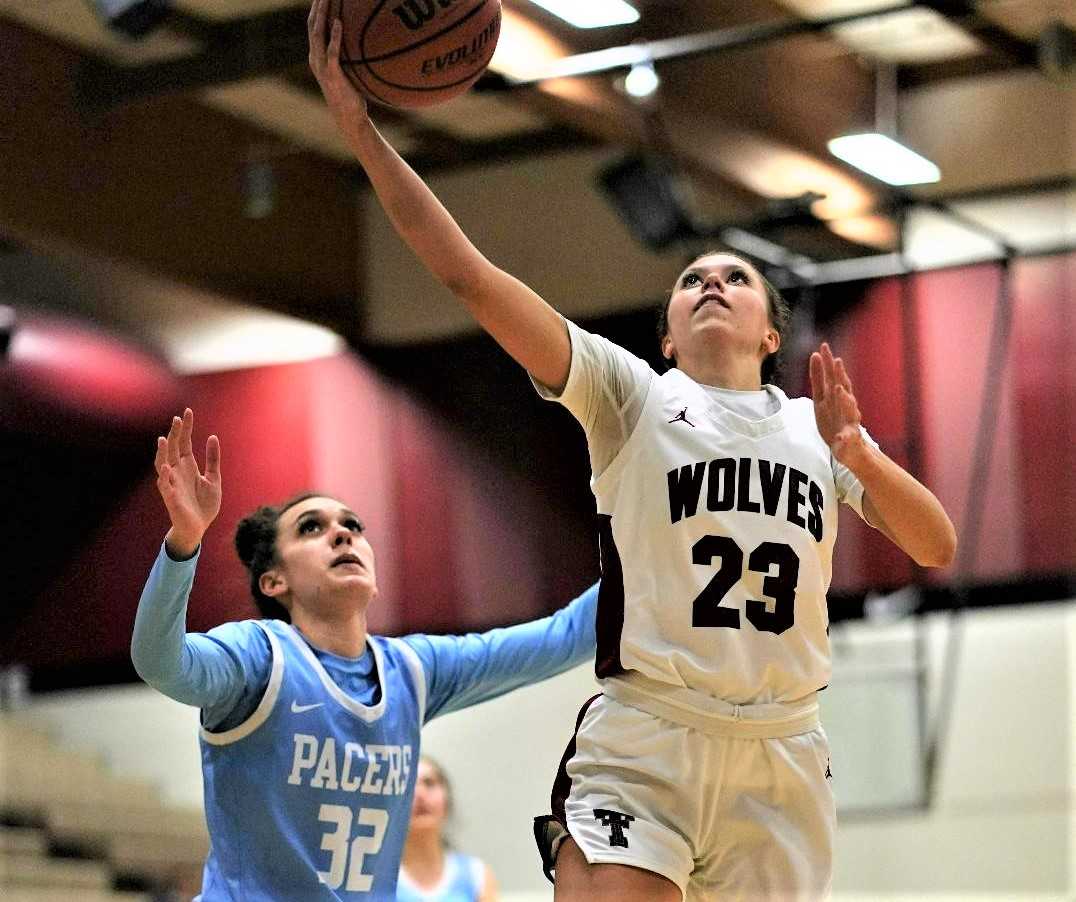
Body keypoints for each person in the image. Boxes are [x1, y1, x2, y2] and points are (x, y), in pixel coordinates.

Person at [131, 408, 599, 900]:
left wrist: (644, 540)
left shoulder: (414, 669)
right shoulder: (258, 658)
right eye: (311, 528)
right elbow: (160, 663)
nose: (342, 533)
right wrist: (183, 540)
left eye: (352, 524)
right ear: (274, 581)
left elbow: (566, 636)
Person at [397, 757, 497, 901]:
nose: (420, 794)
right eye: (408, 785)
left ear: (447, 799)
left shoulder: (477, 875)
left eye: (429, 783)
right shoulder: (377, 880)